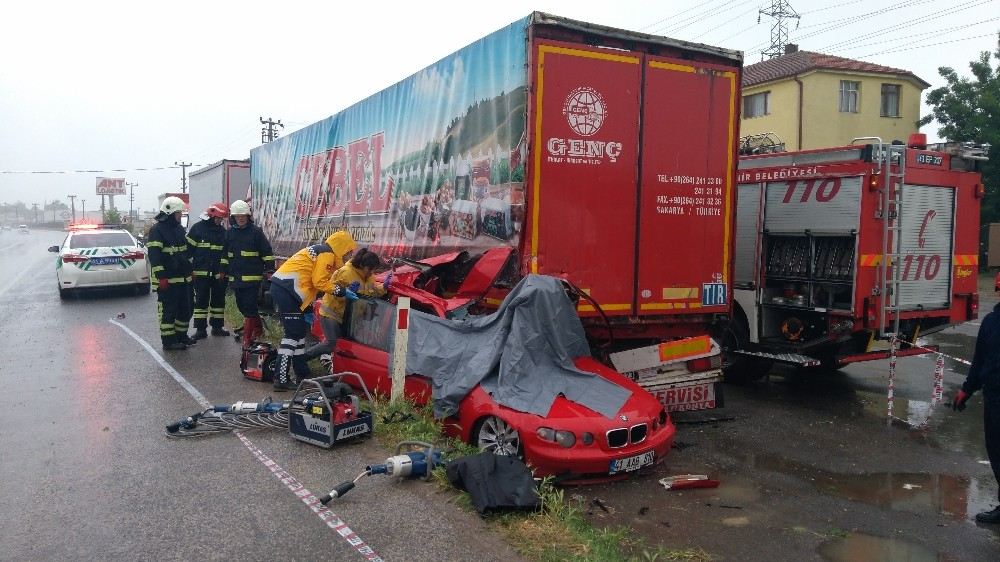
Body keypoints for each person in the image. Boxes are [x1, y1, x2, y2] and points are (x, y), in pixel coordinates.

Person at [269, 231, 357, 391]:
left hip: (286, 289)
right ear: (342, 248)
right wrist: (342, 291)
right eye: (349, 251)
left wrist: (308, 308)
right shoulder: (327, 255)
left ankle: (302, 374)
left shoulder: (323, 252)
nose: (349, 255)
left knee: (299, 333)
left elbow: (309, 281)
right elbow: (319, 282)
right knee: (293, 335)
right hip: (287, 290)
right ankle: (280, 378)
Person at [303, 248, 391, 372]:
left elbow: (373, 292)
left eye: (374, 270)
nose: (372, 272)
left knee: (343, 347)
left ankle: (337, 370)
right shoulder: (345, 273)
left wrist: (384, 287)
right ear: (361, 265)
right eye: (370, 269)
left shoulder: (369, 277)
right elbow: (331, 291)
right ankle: (302, 359)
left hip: (349, 318)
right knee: (331, 343)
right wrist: (346, 292)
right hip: (332, 314)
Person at [953, 300, 1000, 523]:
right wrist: (967, 389)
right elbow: (980, 360)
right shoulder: (991, 322)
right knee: (996, 450)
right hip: (994, 397)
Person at [222, 200, 275, 371]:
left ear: (248, 216)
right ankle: (258, 328)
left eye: (243, 216)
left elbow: (267, 252)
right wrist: (223, 270)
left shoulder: (256, 233)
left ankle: (248, 340)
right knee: (241, 306)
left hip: (252, 279)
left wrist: (269, 270)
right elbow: (225, 254)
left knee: (250, 306)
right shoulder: (229, 234)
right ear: (233, 218)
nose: (241, 219)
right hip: (236, 279)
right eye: (238, 217)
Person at [147, 196, 195, 350]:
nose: (180, 216)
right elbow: (155, 256)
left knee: (185, 309)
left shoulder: (178, 229)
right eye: (178, 213)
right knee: (169, 311)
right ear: (170, 213)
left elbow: (184, 253)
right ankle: (169, 341)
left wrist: (190, 270)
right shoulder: (157, 231)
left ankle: (181, 337)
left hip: (183, 278)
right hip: (168, 280)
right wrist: (161, 277)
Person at [186, 202, 230, 340]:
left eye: (221, 219)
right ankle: (200, 329)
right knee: (200, 302)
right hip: (200, 274)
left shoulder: (223, 233)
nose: (219, 221)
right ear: (210, 216)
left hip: (218, 275)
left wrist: (223, 270)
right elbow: (187, 252)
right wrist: (189, 270)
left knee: (218, 301)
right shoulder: (197, 229)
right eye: (218, 218)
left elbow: (226, 254)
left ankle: (217, 327)